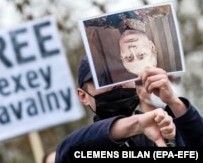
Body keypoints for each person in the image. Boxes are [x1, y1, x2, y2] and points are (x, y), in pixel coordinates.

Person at [55, 55, 203, 163]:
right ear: (83, 96)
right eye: (104, 80)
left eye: (122, 75)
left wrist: (174, 102)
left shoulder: (166, 131)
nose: (117, 85)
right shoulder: (82, 146)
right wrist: (137, 124)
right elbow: (68, 149)